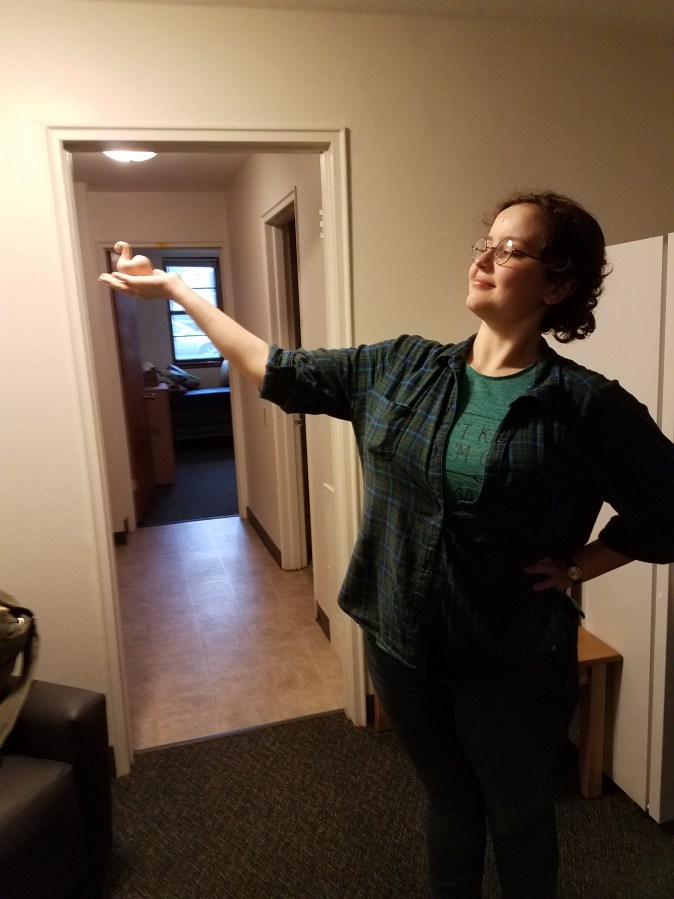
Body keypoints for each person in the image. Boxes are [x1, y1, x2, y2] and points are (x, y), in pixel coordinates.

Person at [100, 192, 674, 898]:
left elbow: (668, 511)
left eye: (510, 249)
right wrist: (177, 290)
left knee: (520, 817)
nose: (484, 259)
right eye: (485, 243)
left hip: (513, 661)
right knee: (449, 803)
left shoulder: (585, 406)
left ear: (557, 286)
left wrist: (580, 566)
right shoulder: (402, 367)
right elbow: (276, 368)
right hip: (401, 649)